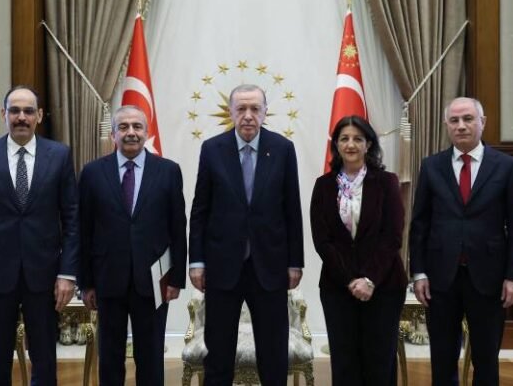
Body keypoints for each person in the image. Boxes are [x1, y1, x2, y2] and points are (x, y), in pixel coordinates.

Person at [0, 85, 79, 386]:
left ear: (39, 115)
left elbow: (72, 219)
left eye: (28, 111)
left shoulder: (60, 155)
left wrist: (67, 273)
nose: (21, 117)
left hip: (45, 275)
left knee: (45, 361)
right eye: (15, 111)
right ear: (4, 114)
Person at [189, 83, 304, 386]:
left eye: (255, 108)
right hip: (222, 266)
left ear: (265, 112)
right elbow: (200, 210)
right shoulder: (212, 149)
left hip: (270, 266)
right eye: (241, 109)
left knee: (273, 354)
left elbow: (292, 209)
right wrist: (196, 261)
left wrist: (295, 262)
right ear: (231, 112)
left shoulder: (283, 149)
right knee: (218, 355)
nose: (248, 115)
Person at [410, 97, 513, 385]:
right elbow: (420, 224)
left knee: (486, 359)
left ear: (482, 122)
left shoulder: (506, 167)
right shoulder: (431, 166)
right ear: (446, 126)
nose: (461, 126)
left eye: (468, 119)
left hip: (489, 278)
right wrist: (419, 272)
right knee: (442, 358)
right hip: (441, 278)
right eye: (454, 120)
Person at [78, 105, 186, 386]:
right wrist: (85, 283)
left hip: (155, 278)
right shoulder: (92, 173)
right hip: (107, 278)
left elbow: (177, 228)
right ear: (113, 134)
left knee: (150, 356)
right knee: (110, 356)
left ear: (146, 132)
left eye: (137, 127)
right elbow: (83, 230)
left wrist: (176, 278)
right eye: (123, 127)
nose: (131, 133)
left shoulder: (168, 171)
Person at [310, 115, 407, 385]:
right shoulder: (323, 185)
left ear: (368, 144)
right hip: (338, 288)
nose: (350, 144)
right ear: (336, 145)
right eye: (344, 139)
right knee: (344, 364)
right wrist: (351, 280)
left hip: (383, 287)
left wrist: (369, 279)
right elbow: (322, 241)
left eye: (357, 139)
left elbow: (393, 236)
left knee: (379, 363)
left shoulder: (386, 182)